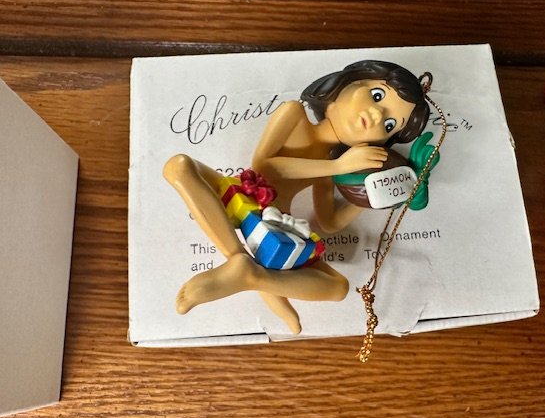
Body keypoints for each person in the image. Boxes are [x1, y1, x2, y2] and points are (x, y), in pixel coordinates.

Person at [163, 60, 431, 333]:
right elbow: (265, 165)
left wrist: (373, 197)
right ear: (350, 82)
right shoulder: (293, 114)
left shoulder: (332, 168)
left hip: (278, 226)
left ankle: (254, 275)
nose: (376, 116)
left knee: (338, 287)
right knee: (178, 166)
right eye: (377, 96)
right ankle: (241, 262)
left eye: (389, 125)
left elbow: (328, 222)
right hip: (246, 192)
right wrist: (338, 166)